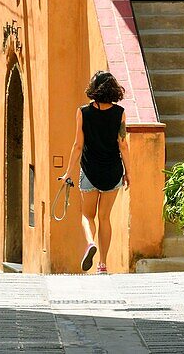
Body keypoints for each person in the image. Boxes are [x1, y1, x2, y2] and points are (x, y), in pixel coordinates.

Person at [61, 70, 130, 273]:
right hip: (113, 172)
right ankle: (103, 264)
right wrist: (129, 172)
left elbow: (78, 146)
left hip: (90, 171)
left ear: (94, 89)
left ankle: (90, 242)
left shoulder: (83, 112)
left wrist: (67, 173)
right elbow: (123, 145)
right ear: (113, 90)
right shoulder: (120, 113)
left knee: (87, 216)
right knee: (105, 218)